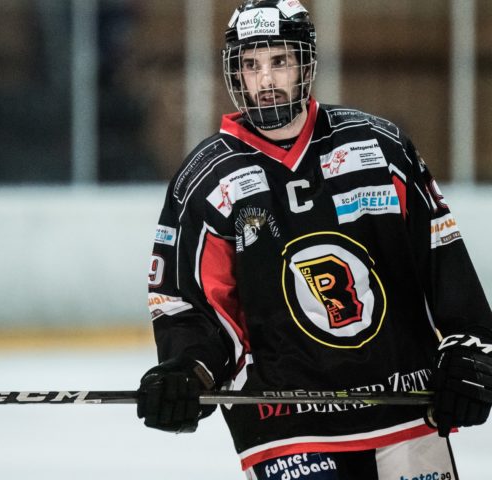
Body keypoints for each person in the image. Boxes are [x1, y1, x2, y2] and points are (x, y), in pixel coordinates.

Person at [137, 0, 492, 478]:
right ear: (235, 74)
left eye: (279, 61)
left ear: (306, 64)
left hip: (403, 408)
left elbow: (442, 261)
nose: (265, 80)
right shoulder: (207, 181)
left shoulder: (379, 149)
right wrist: (187, 369)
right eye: (250, 65)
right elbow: (190, 304)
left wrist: (470, 349)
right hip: (284, 422)